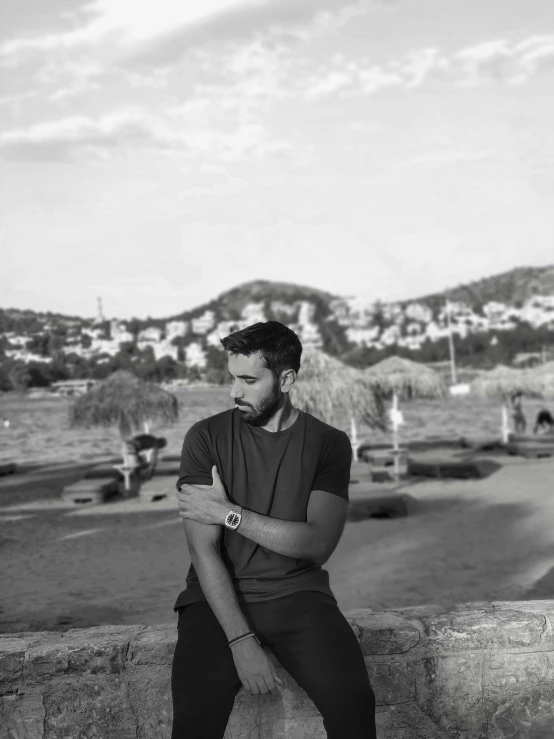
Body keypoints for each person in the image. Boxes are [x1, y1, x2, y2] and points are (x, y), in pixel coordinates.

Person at [172, 321, 376, 739]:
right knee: (193, 726)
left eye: (249, 380)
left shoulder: (328, 443)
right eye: (232, 378)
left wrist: (230, 514)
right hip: (214, 601)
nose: (235, 392)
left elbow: (316, 544)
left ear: (286, 379)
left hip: (299, 597)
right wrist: (239, 639)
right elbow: (203, 552)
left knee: (355, 708)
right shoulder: (205, 438)